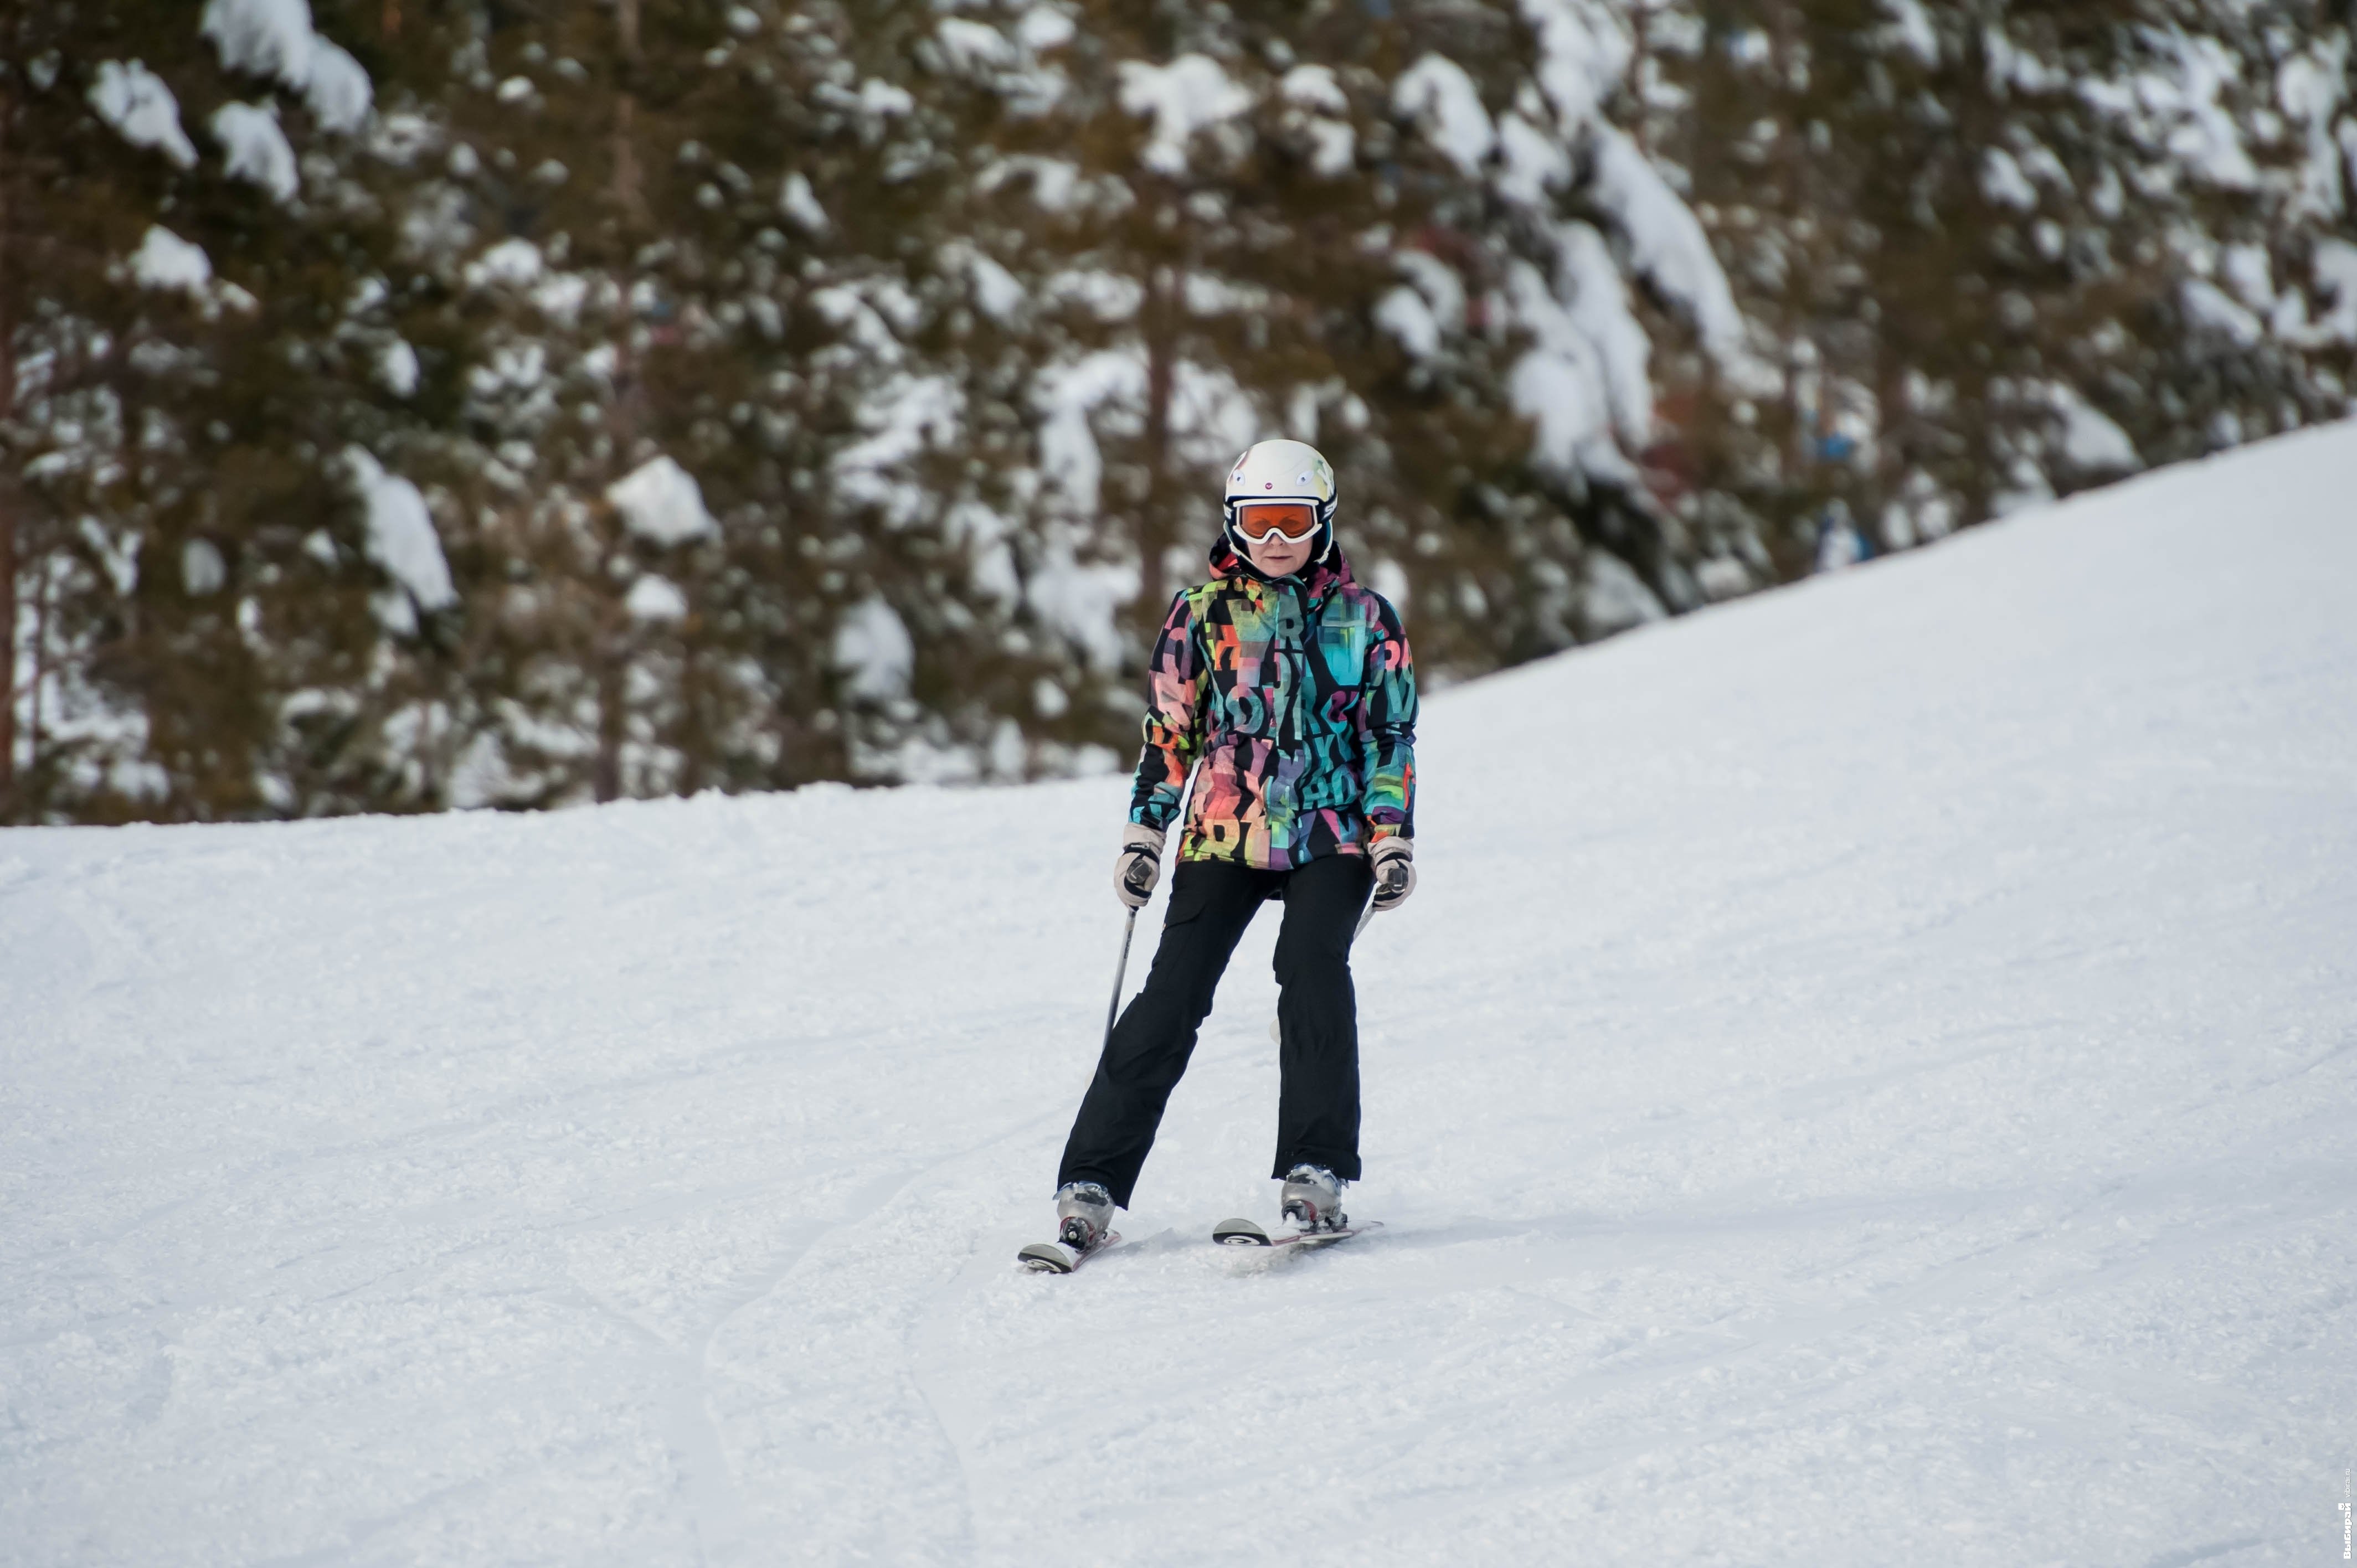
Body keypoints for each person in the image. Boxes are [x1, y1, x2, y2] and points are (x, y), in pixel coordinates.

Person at [1049, 439, 1418, 1252]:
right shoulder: (1201, 613)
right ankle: (1093, 1183)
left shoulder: (1365, 618)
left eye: (1292, 521)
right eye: (1259, 522)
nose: (1276, 538)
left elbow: (1390, 737)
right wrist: (1145, 832)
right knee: (1173, 994)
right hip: (1224, 829)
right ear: (1234, 524)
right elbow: (1170, 734)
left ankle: (1315, 1173)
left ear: (1321, 524)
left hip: (1333, 830)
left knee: (1311, 970)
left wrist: (1392, 841)